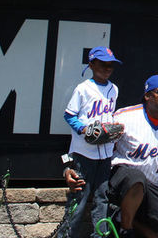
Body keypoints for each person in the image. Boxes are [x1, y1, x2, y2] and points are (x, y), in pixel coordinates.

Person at [107, 76, 158, 238]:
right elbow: (100, 148)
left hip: (151, 188)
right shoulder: (124, 117)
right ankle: (126, 231)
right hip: (121, 182)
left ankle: (125, 221)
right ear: (147, 96)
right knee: (136, 178)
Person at [61, 46, 122, 238]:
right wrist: (84, 128)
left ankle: (99, 236)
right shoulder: (83, 89)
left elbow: (109, 116)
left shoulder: (114, 89)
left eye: (110, 64)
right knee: (78, 199)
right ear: (92, 64)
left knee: (102, 198)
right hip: (83, 152)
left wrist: (114, 130)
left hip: (105, 153)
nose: (107, 68)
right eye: (102, 64)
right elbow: (69, 115)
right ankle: (65, 236)